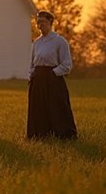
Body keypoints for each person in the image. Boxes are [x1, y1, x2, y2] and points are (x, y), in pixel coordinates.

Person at [27, 10, 77, 139]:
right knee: (38, 107)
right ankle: (40, 134)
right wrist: (31, 76)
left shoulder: (60, 42)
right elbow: (32, 63)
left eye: (43, 22)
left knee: (57, 106)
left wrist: (53, 74)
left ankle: (63, 134)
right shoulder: (36, 43)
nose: (40, 25)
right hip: (38, 78)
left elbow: (67, 64)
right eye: (38, 23)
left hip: (53, 78)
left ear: (50, 22)